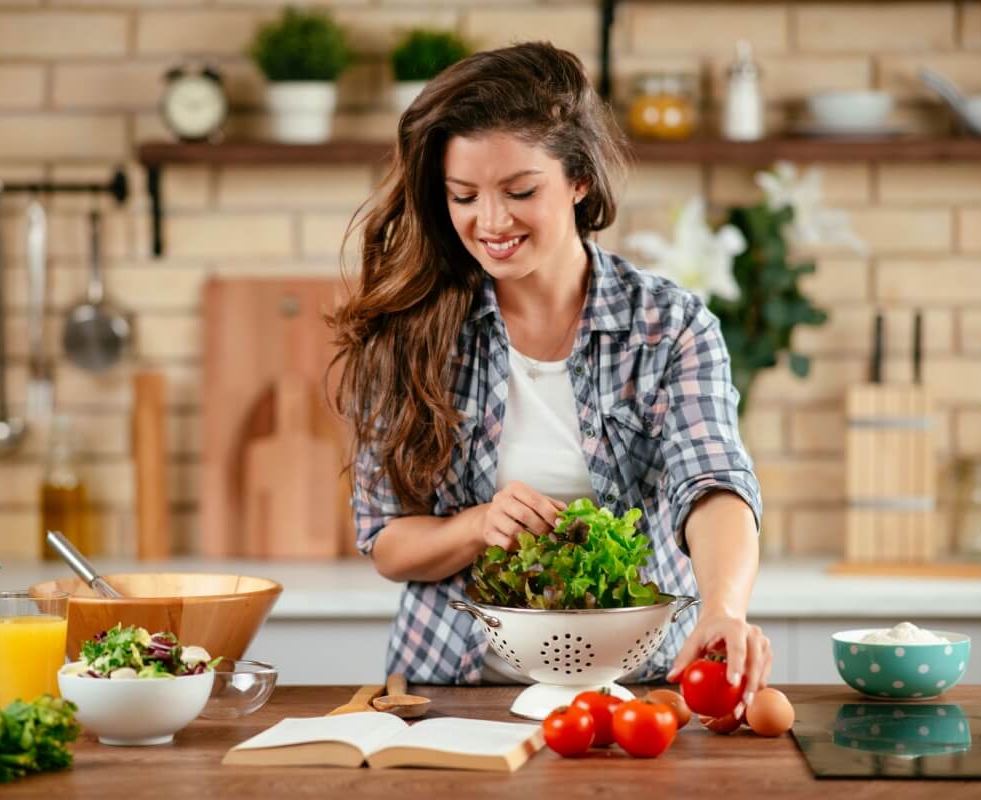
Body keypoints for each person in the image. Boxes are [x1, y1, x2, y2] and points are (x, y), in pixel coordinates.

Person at [329, 41, 769, 716]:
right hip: (451, 693)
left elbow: (711, 483)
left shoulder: (671, 326)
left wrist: (725, 607)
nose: (491, 222)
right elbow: (389, 540)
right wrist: (478, 524)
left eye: (520, 191)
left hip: (640, 691)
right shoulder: (409, 330)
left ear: (579, 180)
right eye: (464, 196)